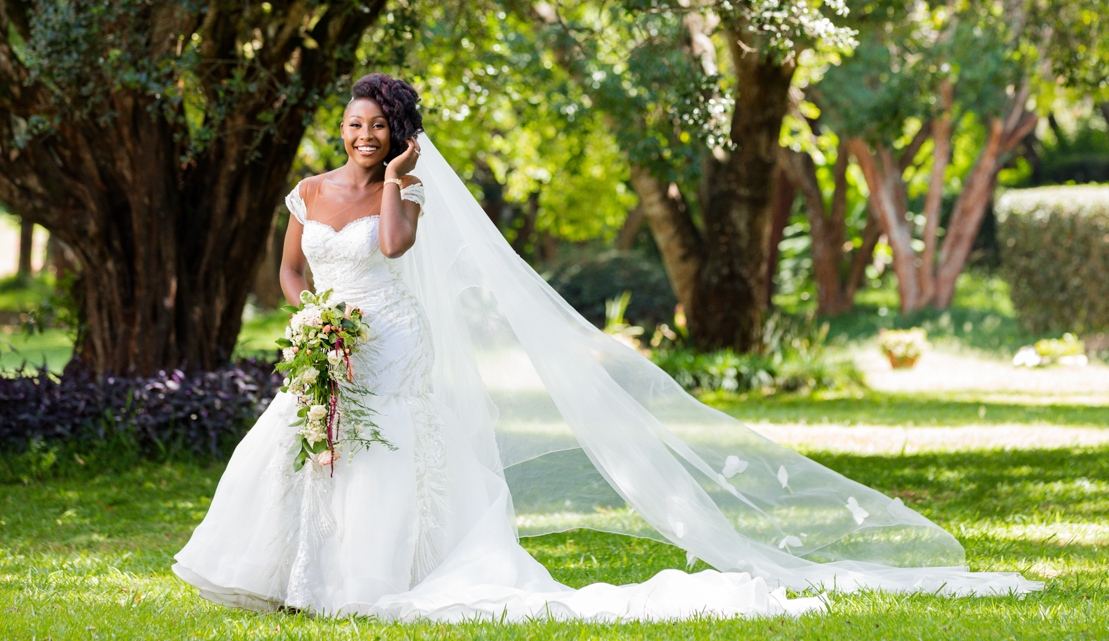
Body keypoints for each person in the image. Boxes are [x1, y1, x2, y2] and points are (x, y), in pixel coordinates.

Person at [172, 73, 1041, 622]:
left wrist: (399, 183)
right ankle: (287, 574)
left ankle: (366, 580)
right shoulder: (309, 191)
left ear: (397, 133)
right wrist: (308, 322)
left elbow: (392, 251)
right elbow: (291, 273)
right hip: (328, 338)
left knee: (383, 450)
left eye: (377, 128)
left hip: (392, 342)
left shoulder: (407, 192)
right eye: (355, 125)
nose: (362, 136)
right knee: (304, 442)